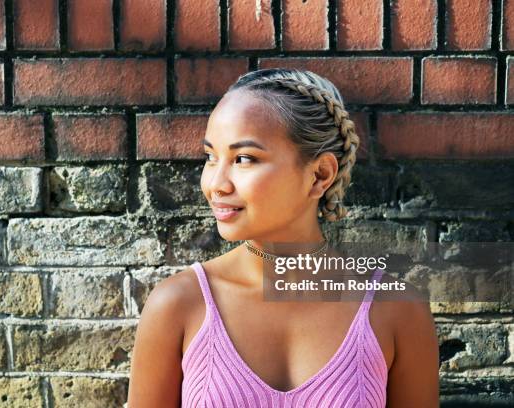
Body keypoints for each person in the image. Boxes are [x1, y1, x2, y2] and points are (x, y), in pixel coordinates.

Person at [127, 68, 440, 407]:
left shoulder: (397, 311)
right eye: (211, 157)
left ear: (320, 175)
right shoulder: (177, 305)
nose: (216, 184)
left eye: (243, 159)